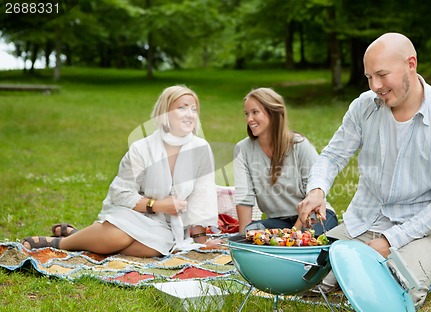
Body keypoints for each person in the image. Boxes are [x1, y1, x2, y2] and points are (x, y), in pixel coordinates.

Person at [297, 32, 431, 308]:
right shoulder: (363, 107)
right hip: (364, 222)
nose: (375, 85)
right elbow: (332, 156)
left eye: (382, 74)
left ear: (410, 64)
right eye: (369, 77)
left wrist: (390, 241)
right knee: (306, 279)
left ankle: (411, 264)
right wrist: (317, 190)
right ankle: (356, 269)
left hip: (418, 230)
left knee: (399, 295)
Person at [22, 85, 220, 256]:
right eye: (182, 108)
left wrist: (200, 240)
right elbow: (121, 193)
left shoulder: (200, 149)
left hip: (168, 226)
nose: (190, 114)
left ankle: (84, 236)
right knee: (120, 235)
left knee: (155, 249)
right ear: (165, 112)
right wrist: (158, 205)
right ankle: (60, 244)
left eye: (194, 109)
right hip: (134, 213)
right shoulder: (142, 148)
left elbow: (201, 197)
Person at [234, 87, 338, 235]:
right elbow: (244, 197)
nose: (249, 119)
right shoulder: (243, 149)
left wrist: (294, 232)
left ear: (273, 113)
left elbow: (313, 193)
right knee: (252, 232)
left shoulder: (299, 145)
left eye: (255, 112)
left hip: (313, 215)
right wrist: (243, 237)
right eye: (246, 114)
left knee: (308, 238)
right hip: (278, 221)